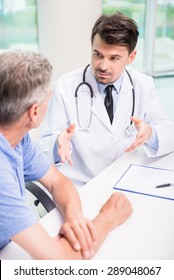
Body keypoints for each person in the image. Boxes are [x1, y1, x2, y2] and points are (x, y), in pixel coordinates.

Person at [0, 50, 132, 260]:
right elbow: (59, 262)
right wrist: (109, 217)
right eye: (47, 100)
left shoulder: (16, 137)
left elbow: (57, 181)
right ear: (34, 112)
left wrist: (75, 218)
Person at [38, 12, 174, 188]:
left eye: (114, 58)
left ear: (131, 57)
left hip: (126, 184)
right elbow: (41, 148)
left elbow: (169, 133)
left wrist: (150, 133)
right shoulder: (65, 86)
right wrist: (57, 144)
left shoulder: (143, 85)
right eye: (98, 54)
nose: (102, 65)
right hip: (80, 187)